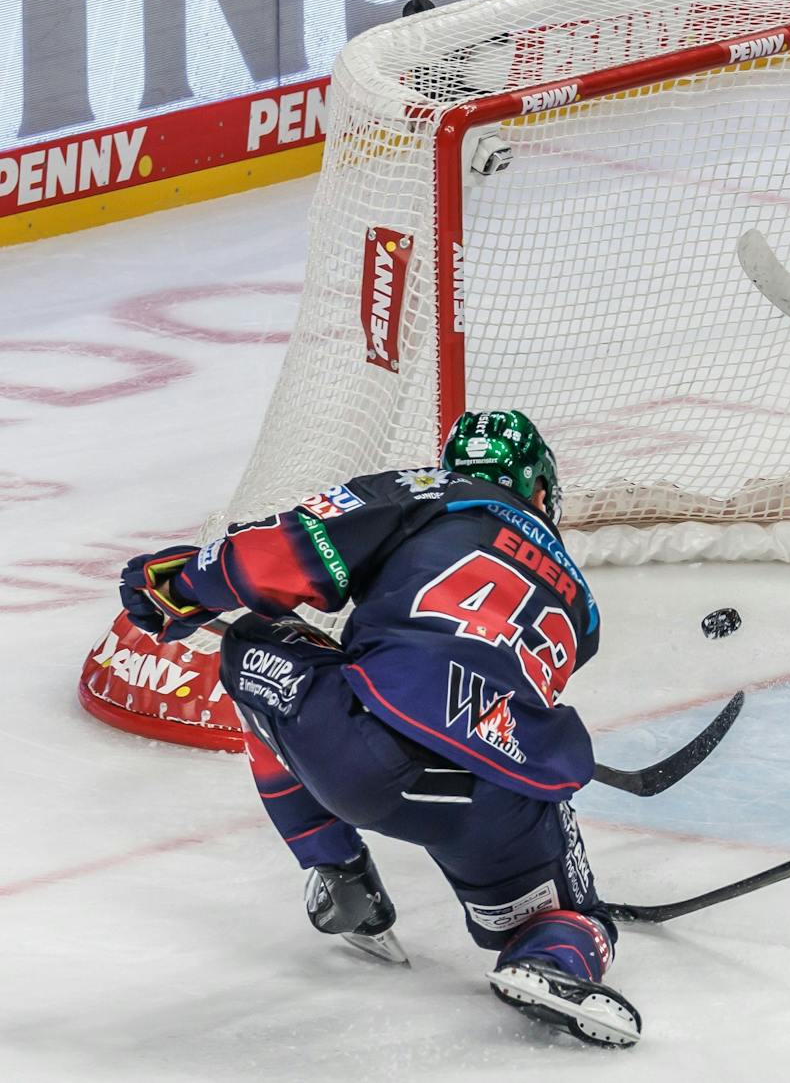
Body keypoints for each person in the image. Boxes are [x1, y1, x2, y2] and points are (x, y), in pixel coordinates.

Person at [117, 410, 642, 1046]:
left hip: (366, 747)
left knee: (255, 640)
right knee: (576, 916)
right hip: (501, 790)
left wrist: (181, 586)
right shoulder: (584, 605)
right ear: (539, 490)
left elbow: (280, 558)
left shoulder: (430, 491)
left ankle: (340, 874)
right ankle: (555, 960)